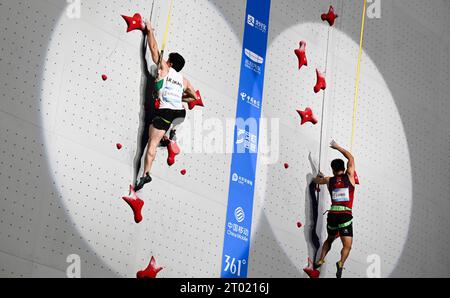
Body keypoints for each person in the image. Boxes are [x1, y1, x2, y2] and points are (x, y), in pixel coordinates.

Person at [134, 20, 199, 192]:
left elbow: (153, 50)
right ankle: (171, 135)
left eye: (167, 59)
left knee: (151, 144)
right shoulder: (184, 80)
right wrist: (181, 97)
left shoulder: (164, 68)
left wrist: (149, 31)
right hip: (179, 113)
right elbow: (193, 97)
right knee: (172, 121)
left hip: (165, 113)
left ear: (169, 62)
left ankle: (146, 174)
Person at [312, 140, 356, 278]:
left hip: (332, 215)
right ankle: (341, 263)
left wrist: (319, 177)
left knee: (329, 239)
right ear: (344, 167)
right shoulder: (349, 176)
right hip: (345, 215)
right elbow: (351, 158)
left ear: (332, 169)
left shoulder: (329, 180)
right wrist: (337, 147)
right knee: (347, 245)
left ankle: (321, 259)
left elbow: (316, 181)